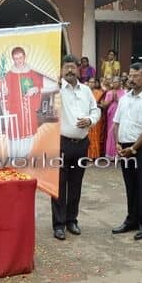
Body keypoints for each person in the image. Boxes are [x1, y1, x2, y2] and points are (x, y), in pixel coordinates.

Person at [52, 55, 100, 240]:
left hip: (81, 145)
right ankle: (58, 224)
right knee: (59, 185)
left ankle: (72, 220)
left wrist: (90, 120)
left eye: (73, 67)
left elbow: (95, 110)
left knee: (76, 185)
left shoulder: (86, 91)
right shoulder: (56, 90)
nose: (70, 70)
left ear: (79, 69)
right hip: (61, 144)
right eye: (67, 67)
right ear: (62, 70)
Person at [112, 62, 142, 241]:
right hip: (125, 147)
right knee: (130, 185)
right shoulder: (125, 98)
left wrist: (134, 148)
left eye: (135, 76)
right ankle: (132, 220)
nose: (130, 79)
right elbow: (116, 123)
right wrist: (118, 143)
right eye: (130, 75)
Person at [0, 47, 44, 157]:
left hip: (29, 110)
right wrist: (4, 89)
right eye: (16, 58)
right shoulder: (9, 74)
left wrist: (34, 89)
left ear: (24, 57)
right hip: (16, 111)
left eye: (20, 58)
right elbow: (5, 92)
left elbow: (39, 85)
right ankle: (16, 158)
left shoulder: (32, 72)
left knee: (29, 135)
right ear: (13, 59)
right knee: (15, 133)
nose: (19, 60)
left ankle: (26, 157)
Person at [101, 76, 125, 159]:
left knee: (119, 132)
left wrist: (118, 100)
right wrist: (111, 100)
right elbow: (104, 105)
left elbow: (126, 104)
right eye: (114, 82)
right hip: (111, 113)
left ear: (120, 82)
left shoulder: (124, 92)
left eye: (117, 82)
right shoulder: (109, 92)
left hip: (121, 113)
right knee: (111, 132)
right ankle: (110, 154)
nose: (115, 83)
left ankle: (119, 153)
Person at [87, 78, 105, 159]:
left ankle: (94, 155)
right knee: (87, 136)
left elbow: (103, 106)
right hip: (86, 116)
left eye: (93, 82)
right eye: (90, 82)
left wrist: (95, 104)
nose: (92, 83)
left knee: (95, 136)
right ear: (87, 83)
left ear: (96, 83)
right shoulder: (84, 92)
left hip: (96, 116)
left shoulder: (100, 93)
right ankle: (87, 155)